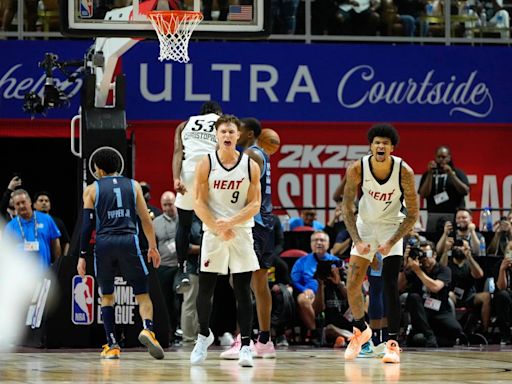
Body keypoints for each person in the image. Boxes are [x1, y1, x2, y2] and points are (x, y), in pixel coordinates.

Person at [76, 147, 164, 360]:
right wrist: (152, 247)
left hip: (104, 242)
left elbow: (86, 226)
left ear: (98, 169)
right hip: (129, 240)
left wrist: (81, 254)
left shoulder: (91, 189)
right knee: (143, 294)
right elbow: (145, 219)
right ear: (118, 166)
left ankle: (112, 344)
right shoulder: (133, 185)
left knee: (107, 296)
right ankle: (148, 329)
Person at [342, 123, 419, 363]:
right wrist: (356, 239)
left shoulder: (403, 171)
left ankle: (392, 344)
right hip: (365, 226)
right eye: (376, 142)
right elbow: (346, 207)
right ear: (370, 146)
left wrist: (392, 240)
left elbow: (413, 213)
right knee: (352, 283)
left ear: (392, 148)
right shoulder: (357, 168)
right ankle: (360, 331)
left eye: (385, 143)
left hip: (391, 227)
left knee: (388, 284)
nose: (380, 146)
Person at [190, 114, 261, 367]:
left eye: (232, 131)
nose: (228, 136)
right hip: (213, 230)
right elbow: (197, 202)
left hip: (240, 231)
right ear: (217, 136)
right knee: (205, 288)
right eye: (223, 132)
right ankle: (202, 336)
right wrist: (217, 226)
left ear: (238, 135)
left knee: (243, 290)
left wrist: (230, 223)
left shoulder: (250, 165)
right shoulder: (206, 164)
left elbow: (255, 204)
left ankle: (246, 346)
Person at [221, 117, 276, 359]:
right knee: (259, 285)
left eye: (238, 130)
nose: (234, 134)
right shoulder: (261, 154)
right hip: (265, 224)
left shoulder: (251, 156)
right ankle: (264, 340)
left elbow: (241, 191)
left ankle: (242, 340)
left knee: (241, 283)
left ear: (250, 133)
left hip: (253, 224)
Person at [172, 101, 222, 288]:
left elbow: (178, 151)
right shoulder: (222, 123)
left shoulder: (184, 125)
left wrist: (176, 179)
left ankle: (181, 270)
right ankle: (208, 264)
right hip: (210, 173)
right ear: (217, 112)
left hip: (188, 174)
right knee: (211, 223)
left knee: (184, 225)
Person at [399, 241, 463, 347]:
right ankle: (429, 336)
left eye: (427, 254)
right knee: (413, 297)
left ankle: (430, 338)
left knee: (456, 330)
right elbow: (400, 287)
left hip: (439, 310)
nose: (424, 258)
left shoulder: (444, 270)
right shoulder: (414, 270)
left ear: (434, 255)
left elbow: (435, 287)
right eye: (421, 255)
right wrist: (404, 266)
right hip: (422, 313)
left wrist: (418, 271)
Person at [291, 231, 341, 345]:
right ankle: (315, 333)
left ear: (328, 244)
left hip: (332, 295)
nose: (319, 242)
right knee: (302, 300)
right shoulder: (302, 261)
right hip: (311, 293)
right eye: (315, 240)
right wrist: (304, 289)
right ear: (311, 244)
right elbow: (294, 280)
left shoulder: (336, 261)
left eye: (322, 240)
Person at [4, 189, 61, 269]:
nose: (21, 206)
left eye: (23, 202)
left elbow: (55, 243)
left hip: (44, 272)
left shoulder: (46, 219)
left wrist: (57, 265)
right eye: (17, 204)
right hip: (21, 275)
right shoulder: (10, 227)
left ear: (30, 202)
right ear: (14, 206)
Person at [418, 146, 470, 233]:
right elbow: (423, 194)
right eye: (439, 157)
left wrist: (451, 174)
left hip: (454, 216)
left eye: (444, 157)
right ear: (435, 157)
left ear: (449, 157)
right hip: (434, 216)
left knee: (452, 241)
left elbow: (465, 191)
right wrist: (430, 174)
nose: (441, 159)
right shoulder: (428, 174)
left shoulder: (457, 172)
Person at [153, 191, 180, 343]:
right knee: (166, 301)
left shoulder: (183, 219)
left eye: (170, 204)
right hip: (164, 266)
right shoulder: (155, 222)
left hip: (180, 265)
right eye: (164, 205)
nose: (167, 208)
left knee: (181, 301)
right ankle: (170, 331)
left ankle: (182, 329)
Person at [33, 191, 71, 256]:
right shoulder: (29, 222)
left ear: (50, 205)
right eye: (41, 201)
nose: (44, 203)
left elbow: (66, 242)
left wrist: (63, 260)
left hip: (54, 262)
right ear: (34, 205)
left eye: (46, 201)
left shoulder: (58, 222)